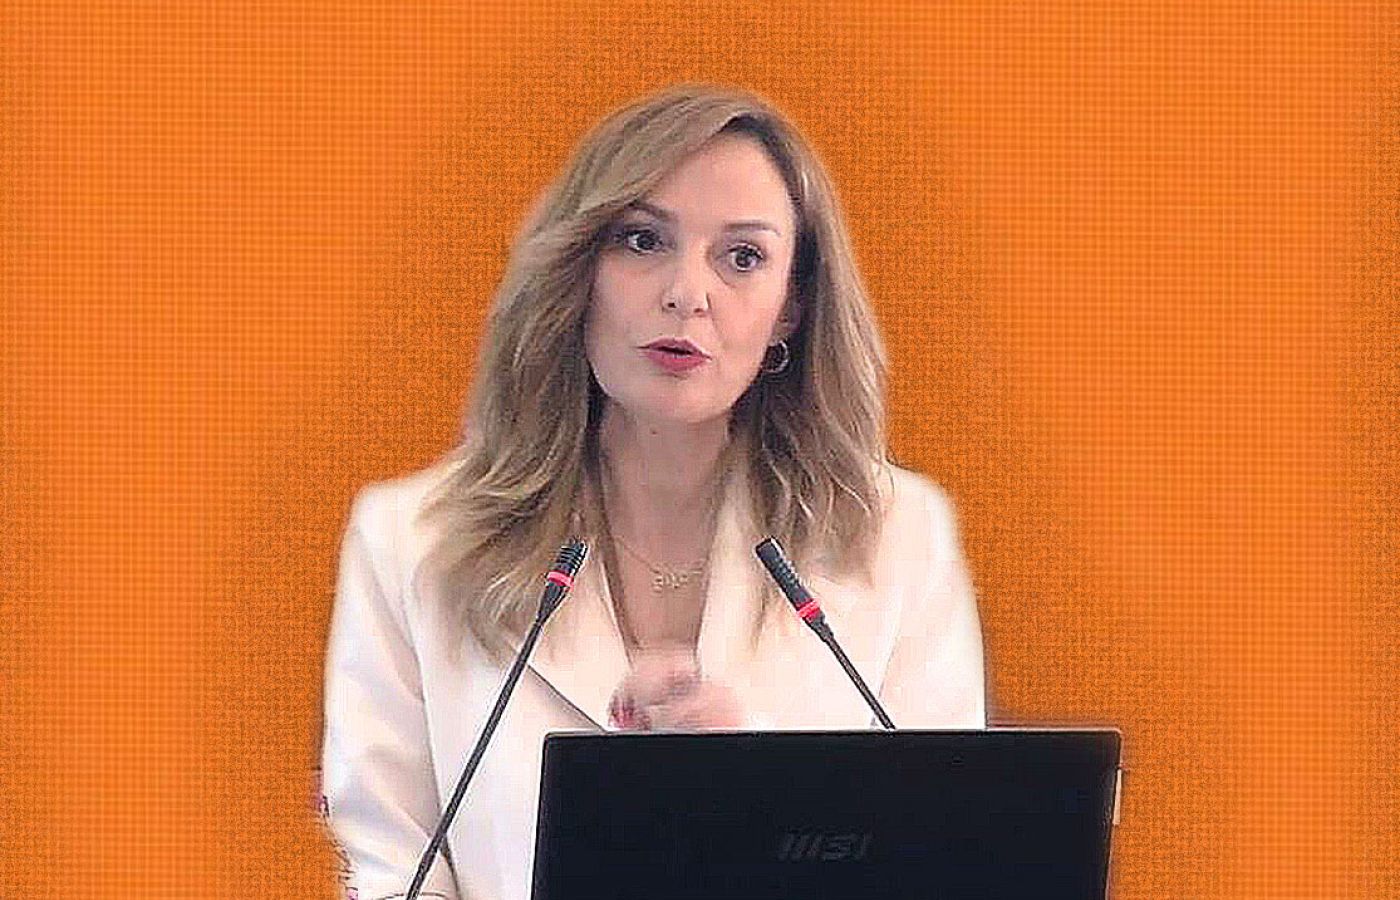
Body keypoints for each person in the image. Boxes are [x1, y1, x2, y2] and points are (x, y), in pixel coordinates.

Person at [320, 83, 986, 900]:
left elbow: (941, 864)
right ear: (579, 270)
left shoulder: (899, 538)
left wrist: (756, 794)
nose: (687, 293)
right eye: (642, 241)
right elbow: (392, 872)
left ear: (791, 307)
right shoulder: (408, 542)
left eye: (742, 257)